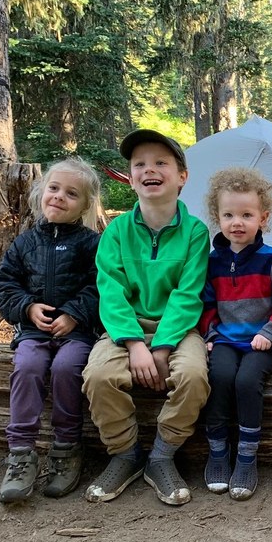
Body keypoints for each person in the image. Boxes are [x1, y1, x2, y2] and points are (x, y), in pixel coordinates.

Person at [82, 129, 211, 506]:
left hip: (178, 328)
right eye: (139, 164)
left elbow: (188, 295)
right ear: (130, 176)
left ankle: (161, 455)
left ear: (182, 176)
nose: (149, 170)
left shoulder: (196, 233)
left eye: (160, 163)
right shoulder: (117, 232)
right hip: (125, 329)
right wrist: (136, 344)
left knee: (192, 374)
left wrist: (164, 346)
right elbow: (111, 291)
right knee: (100, 375)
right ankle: (125, 453)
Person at [0, 158, 103, 503]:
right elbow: (4, 284)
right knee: (27, 367)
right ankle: (21, 453)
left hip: (77, 332)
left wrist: (73, 313)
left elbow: (101, 285)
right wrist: (27, 306)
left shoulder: (91, 244)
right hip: (33, 332)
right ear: (42, 192)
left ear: (85, 205)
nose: (59, 197)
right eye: (54, 189)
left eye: (71, 194)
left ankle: (66, 447)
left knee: (66, 368)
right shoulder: (25, 243)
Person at [200, 167, 272, 501]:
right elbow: (207, 304)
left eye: (246, 214)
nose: (237, 223)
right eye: (228, 215)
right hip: (228, 338)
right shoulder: (213, 261)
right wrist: (211, 334)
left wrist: (271, 333)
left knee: (246, 381)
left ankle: (246, 455)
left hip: (262, 340)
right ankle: (217, 451)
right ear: (218, 217)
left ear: (264, 217)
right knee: (221, 375)